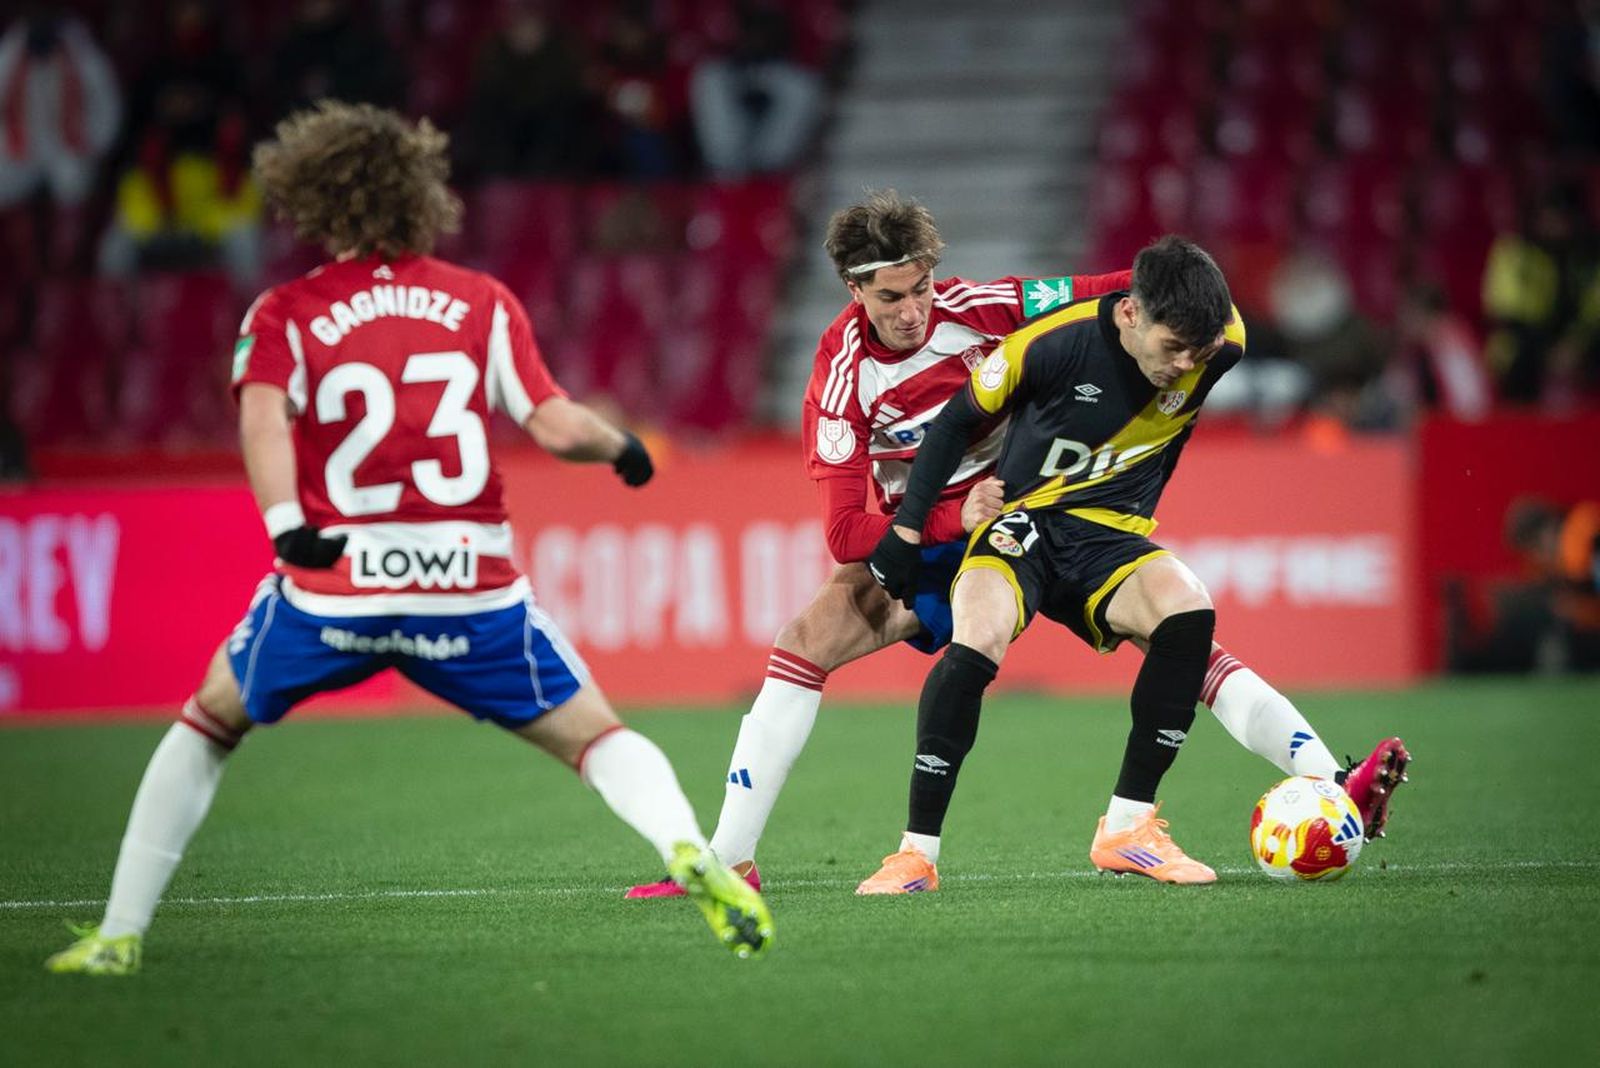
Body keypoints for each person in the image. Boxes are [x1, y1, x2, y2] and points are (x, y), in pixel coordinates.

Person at [45, 101, 771, 976]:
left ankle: (119, 934)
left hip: (337, 583)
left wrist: (288, 527)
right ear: (423, 193)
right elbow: (553, 424)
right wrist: (623, 448)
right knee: (597, 737)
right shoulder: (479, 301)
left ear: (312, 196)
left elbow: (263, 421)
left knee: (206, 724)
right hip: (469, 585)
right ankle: (686, 845)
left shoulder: (285, 312)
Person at [625, 191, 1403, 898]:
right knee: (806, 641)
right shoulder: (841, 378)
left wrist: (1188, 297)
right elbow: (845, 533)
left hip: (1049, 518)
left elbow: (1114, 292)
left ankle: (1332, 781)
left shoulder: (989, 307)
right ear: (854, 291)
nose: (913, 311)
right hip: (938, 539)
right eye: (891, 297)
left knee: (1182, 637)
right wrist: (947, 520)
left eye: (922, 287)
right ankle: (732, 860)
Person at [861, 235, 1408, 891]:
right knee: (978, 637)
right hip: (1024, 523)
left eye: (1198, 352)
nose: (1184, 366)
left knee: (1189, 612)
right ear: (1129, 313)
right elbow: (953, 425)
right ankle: (914, 856)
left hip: (1110, 535)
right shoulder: (1048, 347)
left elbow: (1206, 351)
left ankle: (1130, 827)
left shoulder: (1223, 343)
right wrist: (908, 530)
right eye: (1172, 347)